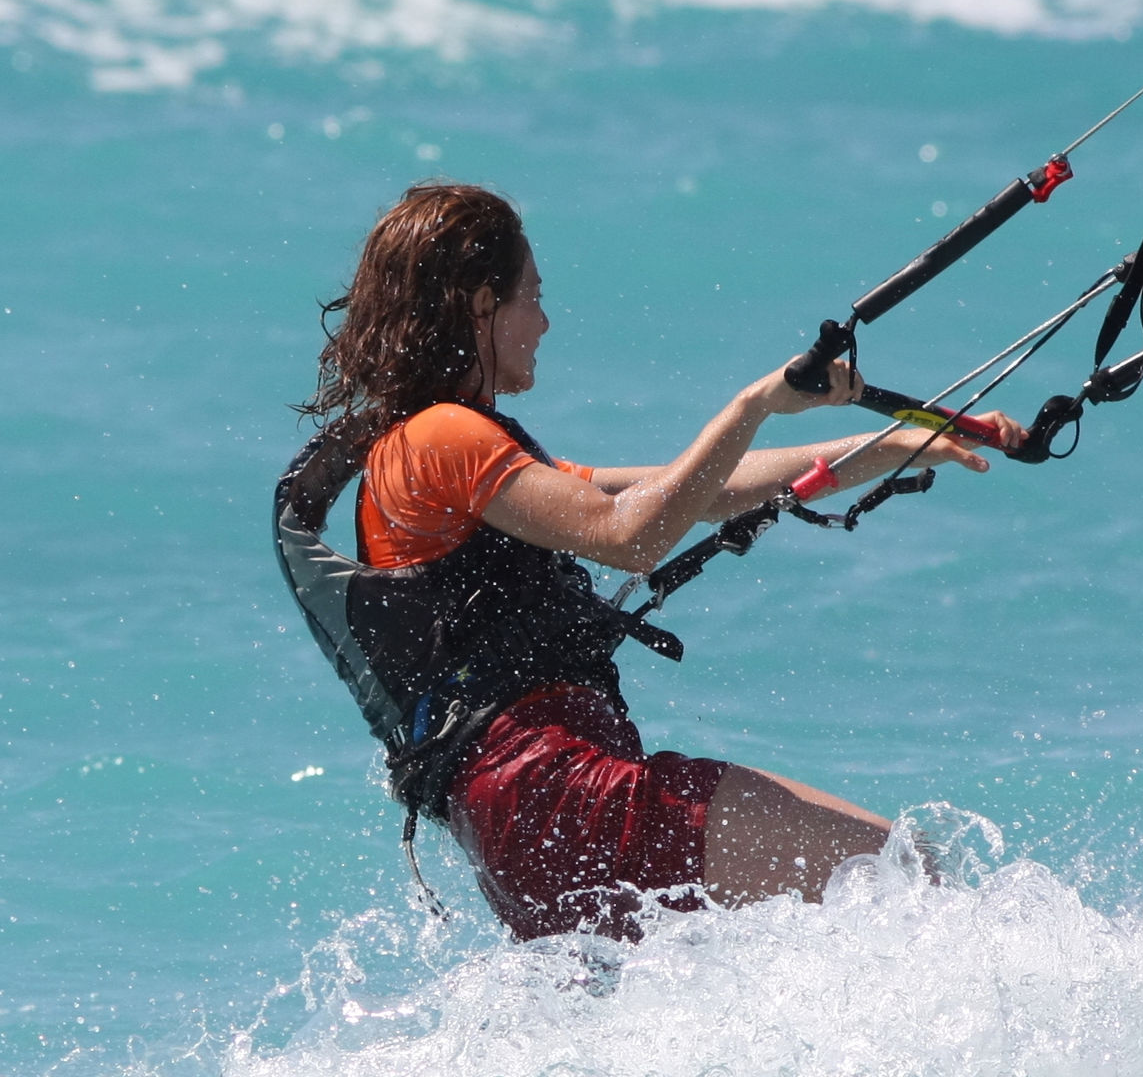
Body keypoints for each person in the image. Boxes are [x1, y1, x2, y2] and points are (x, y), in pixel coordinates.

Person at [275, 183, 1024, 941]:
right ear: (479, 305)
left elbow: (690, 491)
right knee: (907, 877)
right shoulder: (440, 437)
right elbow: (631, 534)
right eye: (531, 296)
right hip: (560, 791)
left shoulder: (438, 449)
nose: (544, 320)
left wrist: (890, 444)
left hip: (522, 829)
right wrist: (752, 405)